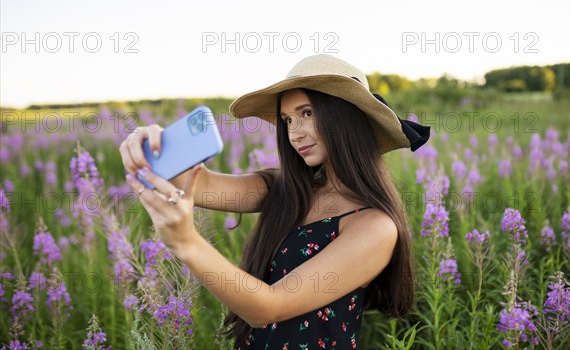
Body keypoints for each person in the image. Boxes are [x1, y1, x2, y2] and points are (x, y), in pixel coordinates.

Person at [119, 54, 430, 349]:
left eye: (307, 113)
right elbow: (204, 185)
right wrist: (152, 147)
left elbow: (270, 307)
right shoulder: (287, 189)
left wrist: (186, 243)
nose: (294, 133)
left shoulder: (374, 226)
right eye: (287, 120)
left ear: (344, 116)